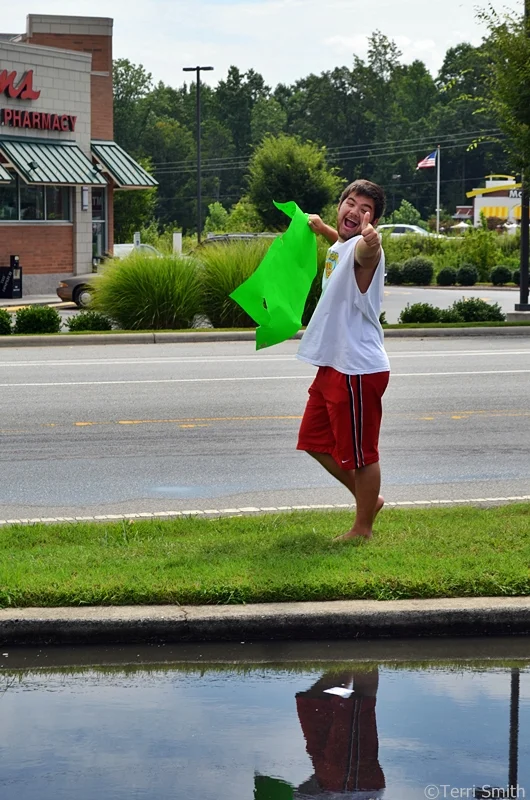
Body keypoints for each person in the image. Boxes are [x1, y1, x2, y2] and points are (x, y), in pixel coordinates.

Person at [296, 180, 390, 541]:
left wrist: (372, 240)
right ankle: (370, 500)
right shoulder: (342, 243)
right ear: (340, 205)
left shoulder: (365, 250)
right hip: (334, 363)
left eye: (365, 209)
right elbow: (345, 243)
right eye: (350, 203)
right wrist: (323, 230)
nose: (355, 211)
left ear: (375, 220)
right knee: (314, 440)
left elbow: (365, 253)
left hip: (357, 368)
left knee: (363, 454)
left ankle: (362, 528)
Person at [295, 669, 385, 798]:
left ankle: (344, 662)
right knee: (358, 703)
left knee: (313, 702)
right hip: (353, 790)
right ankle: (362, 653)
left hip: (326, 784)